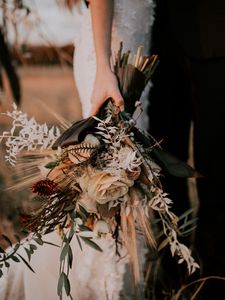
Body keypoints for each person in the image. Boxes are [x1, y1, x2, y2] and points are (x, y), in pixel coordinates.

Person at [0, 1, 155, 299]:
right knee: (103, 180)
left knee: (117, 178)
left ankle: (110, 279)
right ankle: (89, 284)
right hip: (110, 57)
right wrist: (104, 68)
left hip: (129, 53)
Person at [148, 0, 225, 298]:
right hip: (152, 35)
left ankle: (214, 275)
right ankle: (174, 267)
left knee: (217, 163)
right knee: (160, 161)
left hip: (214, 31)